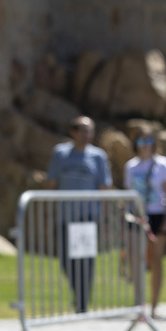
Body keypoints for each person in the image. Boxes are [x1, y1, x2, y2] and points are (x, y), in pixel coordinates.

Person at [46, 116, 113, 314]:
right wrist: (48, 216)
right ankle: (78, 294)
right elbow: (51, 185)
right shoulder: (61, 154)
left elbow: (104, 188)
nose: (86, 135)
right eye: (82, 130)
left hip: (88, 217)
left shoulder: (98, 156)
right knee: (66, 261)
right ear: (73, 132)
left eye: (89, 130)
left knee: (86, 261)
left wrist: (106, 219)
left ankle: (82, 303)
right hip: (66, 217)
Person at [124, 132, 166, 316]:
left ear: (154, 144)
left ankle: (154, 305)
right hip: (136, 215)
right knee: (136, 260)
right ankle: (139, 304)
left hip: (158, 215)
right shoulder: (130, 166)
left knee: (156, 259)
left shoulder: (163, 163)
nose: (144, 144)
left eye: (148, 141)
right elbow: (127, 194)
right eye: (140, 140)